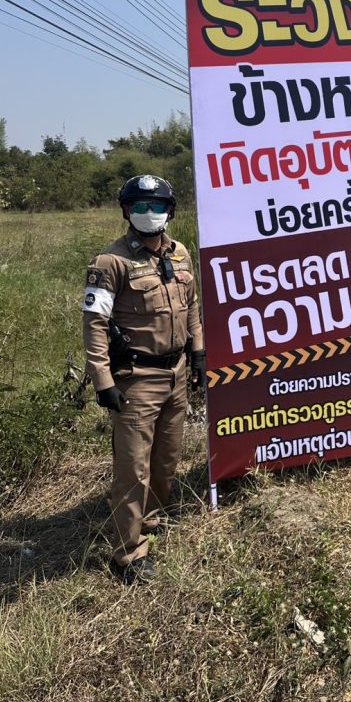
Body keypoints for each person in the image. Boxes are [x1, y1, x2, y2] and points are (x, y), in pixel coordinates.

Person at [82, 174, 205, 584]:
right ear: (126, 211)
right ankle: (128, 553)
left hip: (176, 372)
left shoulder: (181, 254)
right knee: (133, 468)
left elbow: (192, 308)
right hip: (136, 378)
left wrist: (198, 353)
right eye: (139, 206)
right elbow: (95, 324)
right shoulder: (110, 262)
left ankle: (150, 521)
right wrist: (103, 380)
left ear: (170, 211)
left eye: (156, 206)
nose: (148, 213)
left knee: (166, 459)